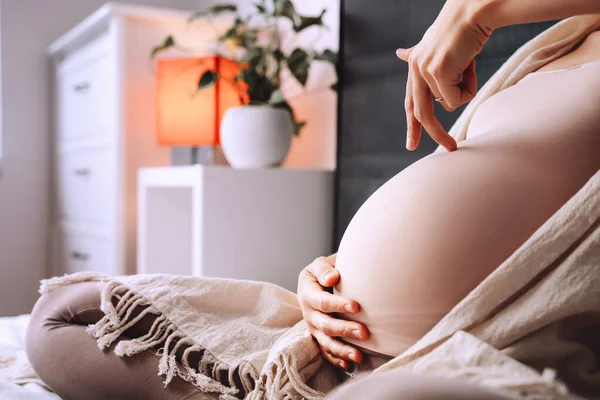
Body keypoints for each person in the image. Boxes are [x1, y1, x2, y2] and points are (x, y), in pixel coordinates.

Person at [26, 0, 600, 399]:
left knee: (395, 395)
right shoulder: (556, 45)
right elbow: (480, 205)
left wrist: (471, 11)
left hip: (465, 357)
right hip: (324, 353)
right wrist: (323, 279)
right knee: (61, 317)